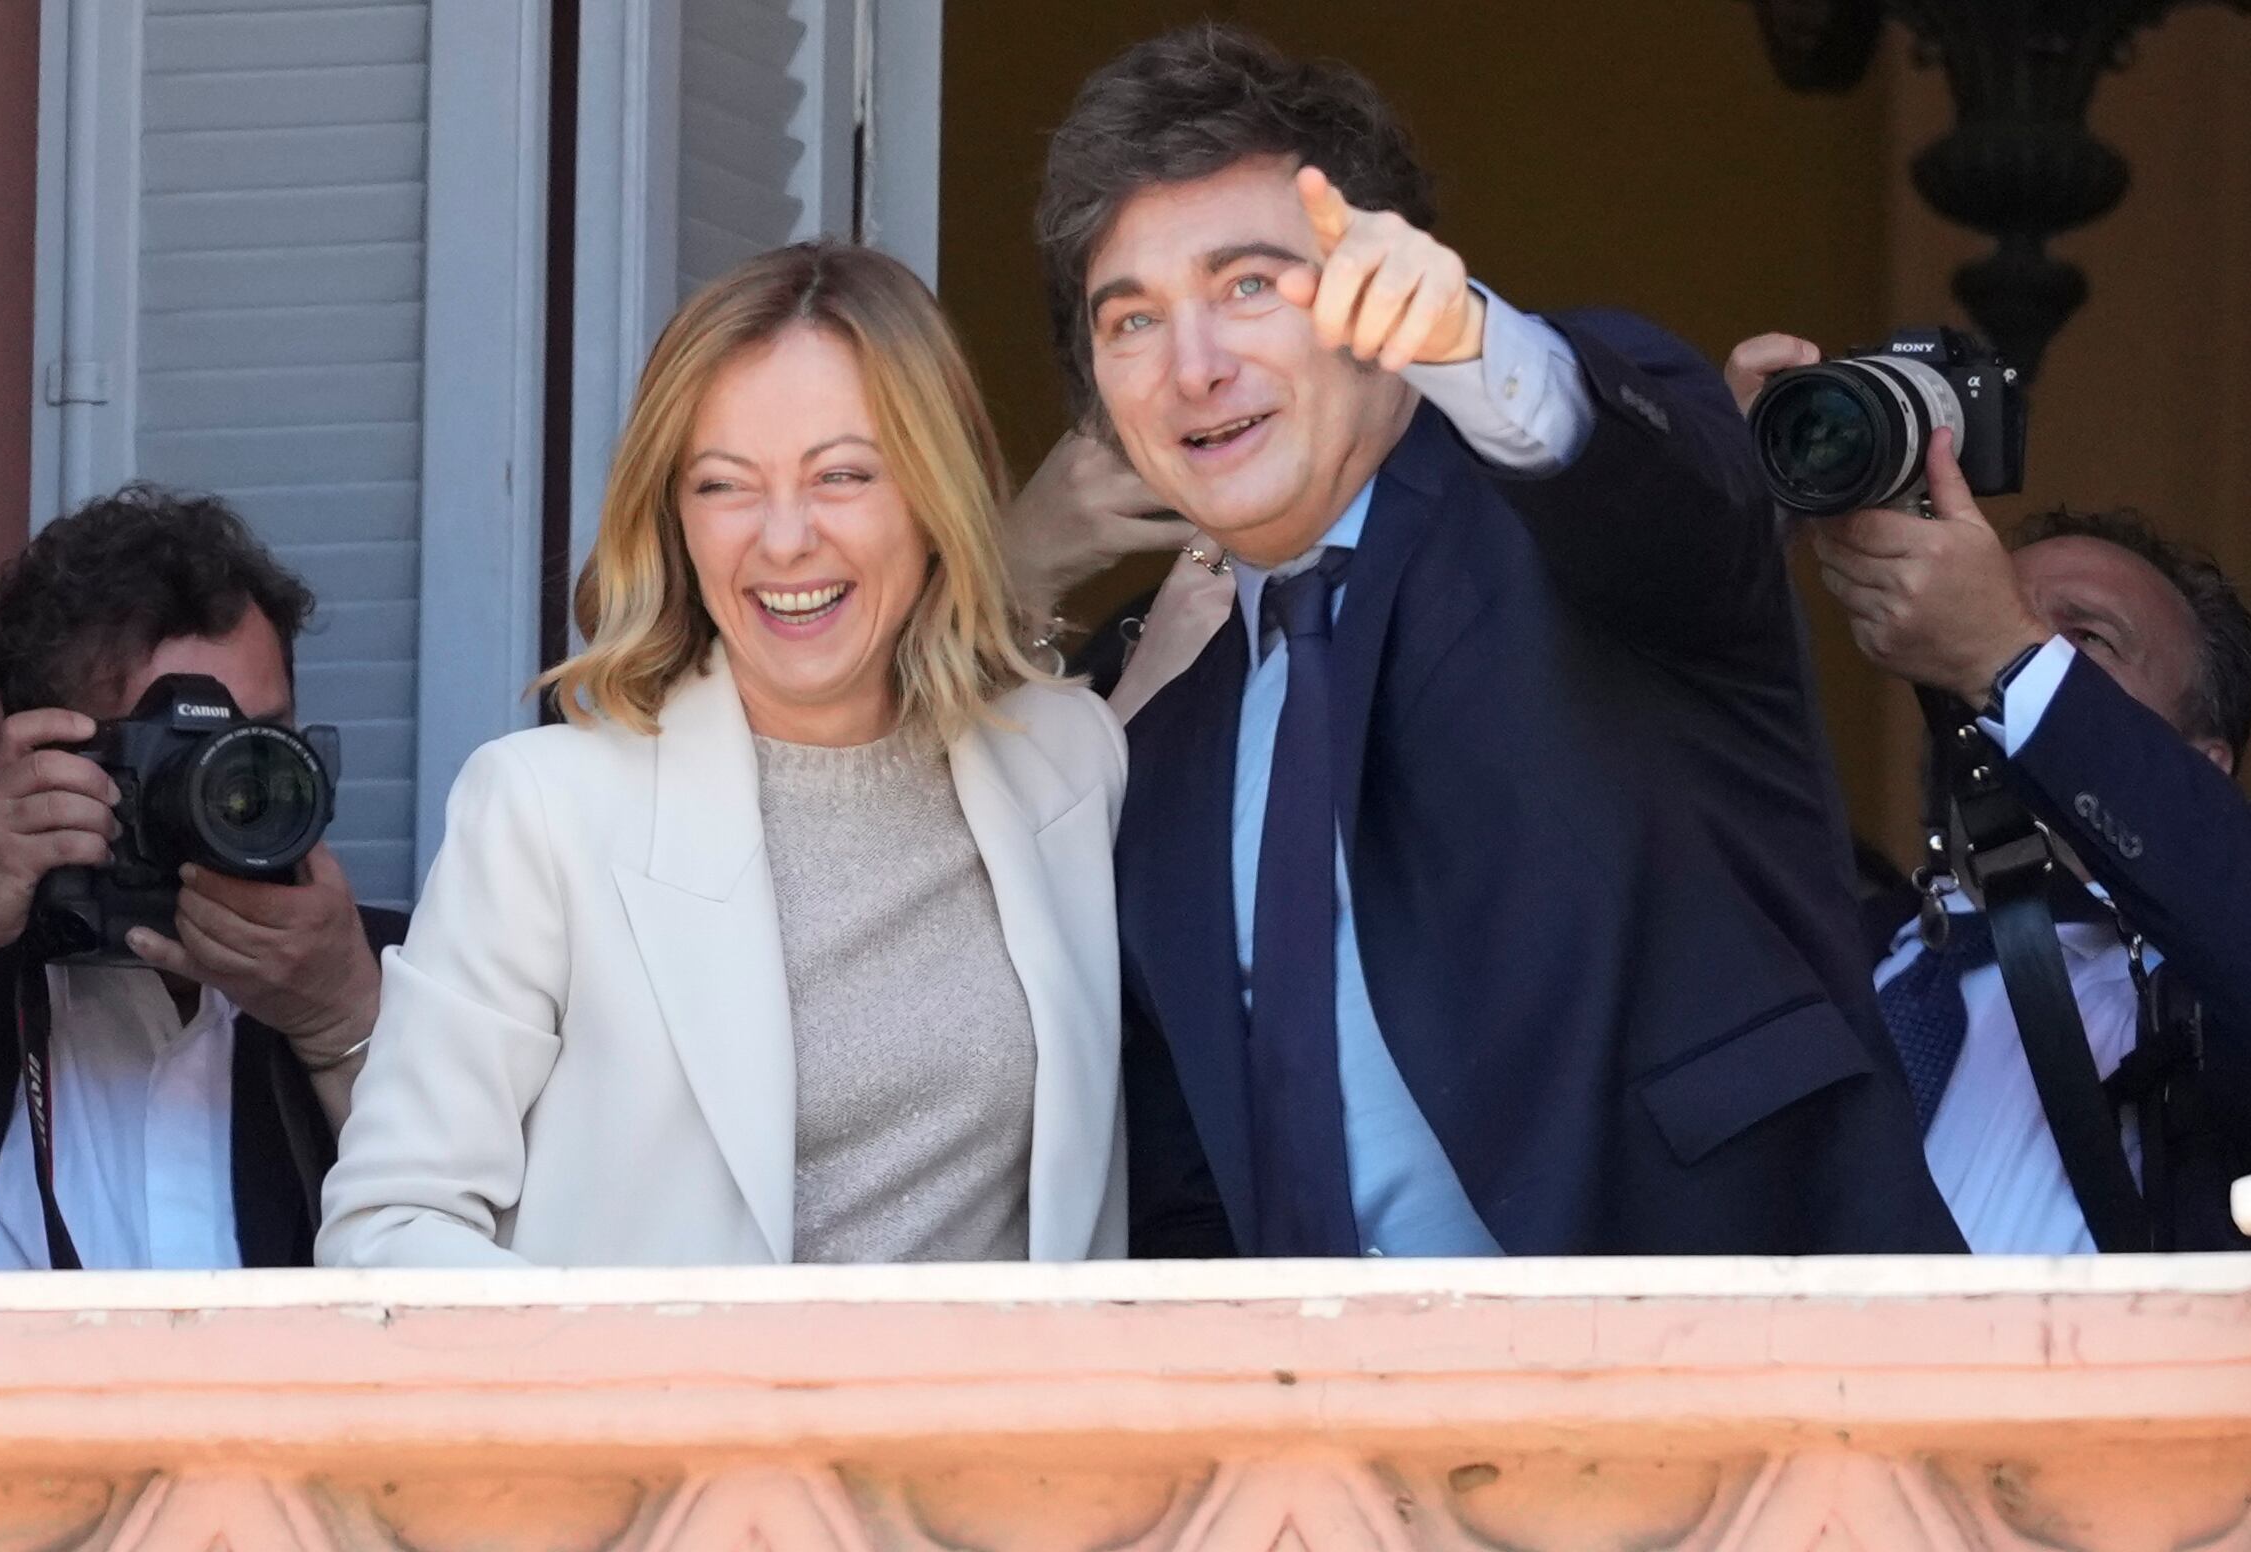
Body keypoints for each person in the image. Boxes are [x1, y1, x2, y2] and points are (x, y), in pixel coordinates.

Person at [1039, 25, 1960, 1258]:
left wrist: (1476, 339)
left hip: (1742, 1379)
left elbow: (1663, 492)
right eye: (1131, 320)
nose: (1194, 366)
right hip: (1348, 1422)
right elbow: (1182, 1170)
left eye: (1250, 285)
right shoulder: (1146, 702)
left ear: (1385, 294)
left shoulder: (1559, 499)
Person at [318, 241, 1127, 1269]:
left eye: (842, 474)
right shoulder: (543, 812)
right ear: (675, 520)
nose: (784, 539)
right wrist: (654, 1398)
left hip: (984, 1429)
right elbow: (387, 1228)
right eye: (724, 485)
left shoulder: (1070, 762)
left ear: (936, 495)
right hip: (655, 1425)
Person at [1729, 333, 2251, 1250]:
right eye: (1991, 602)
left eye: (2082, 643)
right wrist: (1720, 534)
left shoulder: (2204, 990)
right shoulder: (1818, 949)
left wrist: (2006, 657)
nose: (1991, 649)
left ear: (2202, 764)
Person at [0, 487, 401, 1270]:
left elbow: (509, 1274)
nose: (229, 782)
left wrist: (339, 1018)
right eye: (173, 749)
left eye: (261, 739)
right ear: (45, 759)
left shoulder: (410, 973)